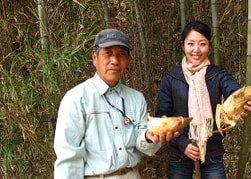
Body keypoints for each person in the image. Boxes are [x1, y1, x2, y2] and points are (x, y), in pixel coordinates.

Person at [54, 29, 178, 179]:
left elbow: (144, 145)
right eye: (108, 53)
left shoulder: (136, 98)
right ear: (94, 57)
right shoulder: (77, 99)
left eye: (121, 54)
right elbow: (69, 158)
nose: (115, 61)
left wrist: (149, 136)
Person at [155, 21, 251, 179]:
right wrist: (182, 144)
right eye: (191, 44)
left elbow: (234, 92)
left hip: (212, 153)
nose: (196, 50)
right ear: (183, 45)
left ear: (210, 44)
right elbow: (162, 115)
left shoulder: (218, 75)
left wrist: (241, 101)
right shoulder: (171, 78)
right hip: (179, 154)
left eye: (202, 44)